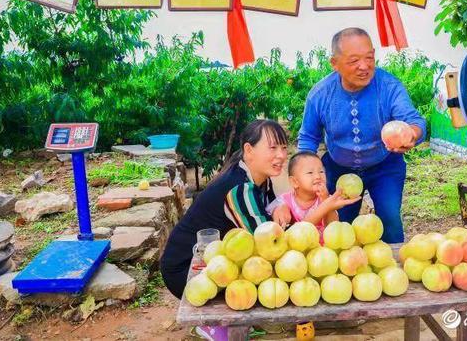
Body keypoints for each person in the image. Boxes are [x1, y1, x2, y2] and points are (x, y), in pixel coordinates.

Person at [298, 27, 427, 243]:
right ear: (334, 63)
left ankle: (394, 269)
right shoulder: (320, 94)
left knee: (390, 220)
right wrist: (307, 175)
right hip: (338, 168)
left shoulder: (389, 86)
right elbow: (308, 138)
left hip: (385, 165)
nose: (364, 66)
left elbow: (415, 121)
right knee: (338, 226)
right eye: (353, 61)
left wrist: (411, 134)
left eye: (370, 58)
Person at [160, 119, 290, 299]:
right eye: (273, 148)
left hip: (210, 260)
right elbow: (267, 245)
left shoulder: (258, 177)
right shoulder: (240, 188)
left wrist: (279, 205)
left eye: (284, 148)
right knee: (263, 270)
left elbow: (271, 208)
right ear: (249, 150)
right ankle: (214, 325)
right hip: (186, 269)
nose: (281, 155)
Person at [266, 151, 360, 233]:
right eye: (310, 173)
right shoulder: (285, 200)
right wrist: (279, 208)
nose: (318, 176)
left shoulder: (327, 198)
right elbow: (272, 213)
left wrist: (327, 203)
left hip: (321, 249)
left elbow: (332, 227)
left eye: (321, 172)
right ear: (294, 182)